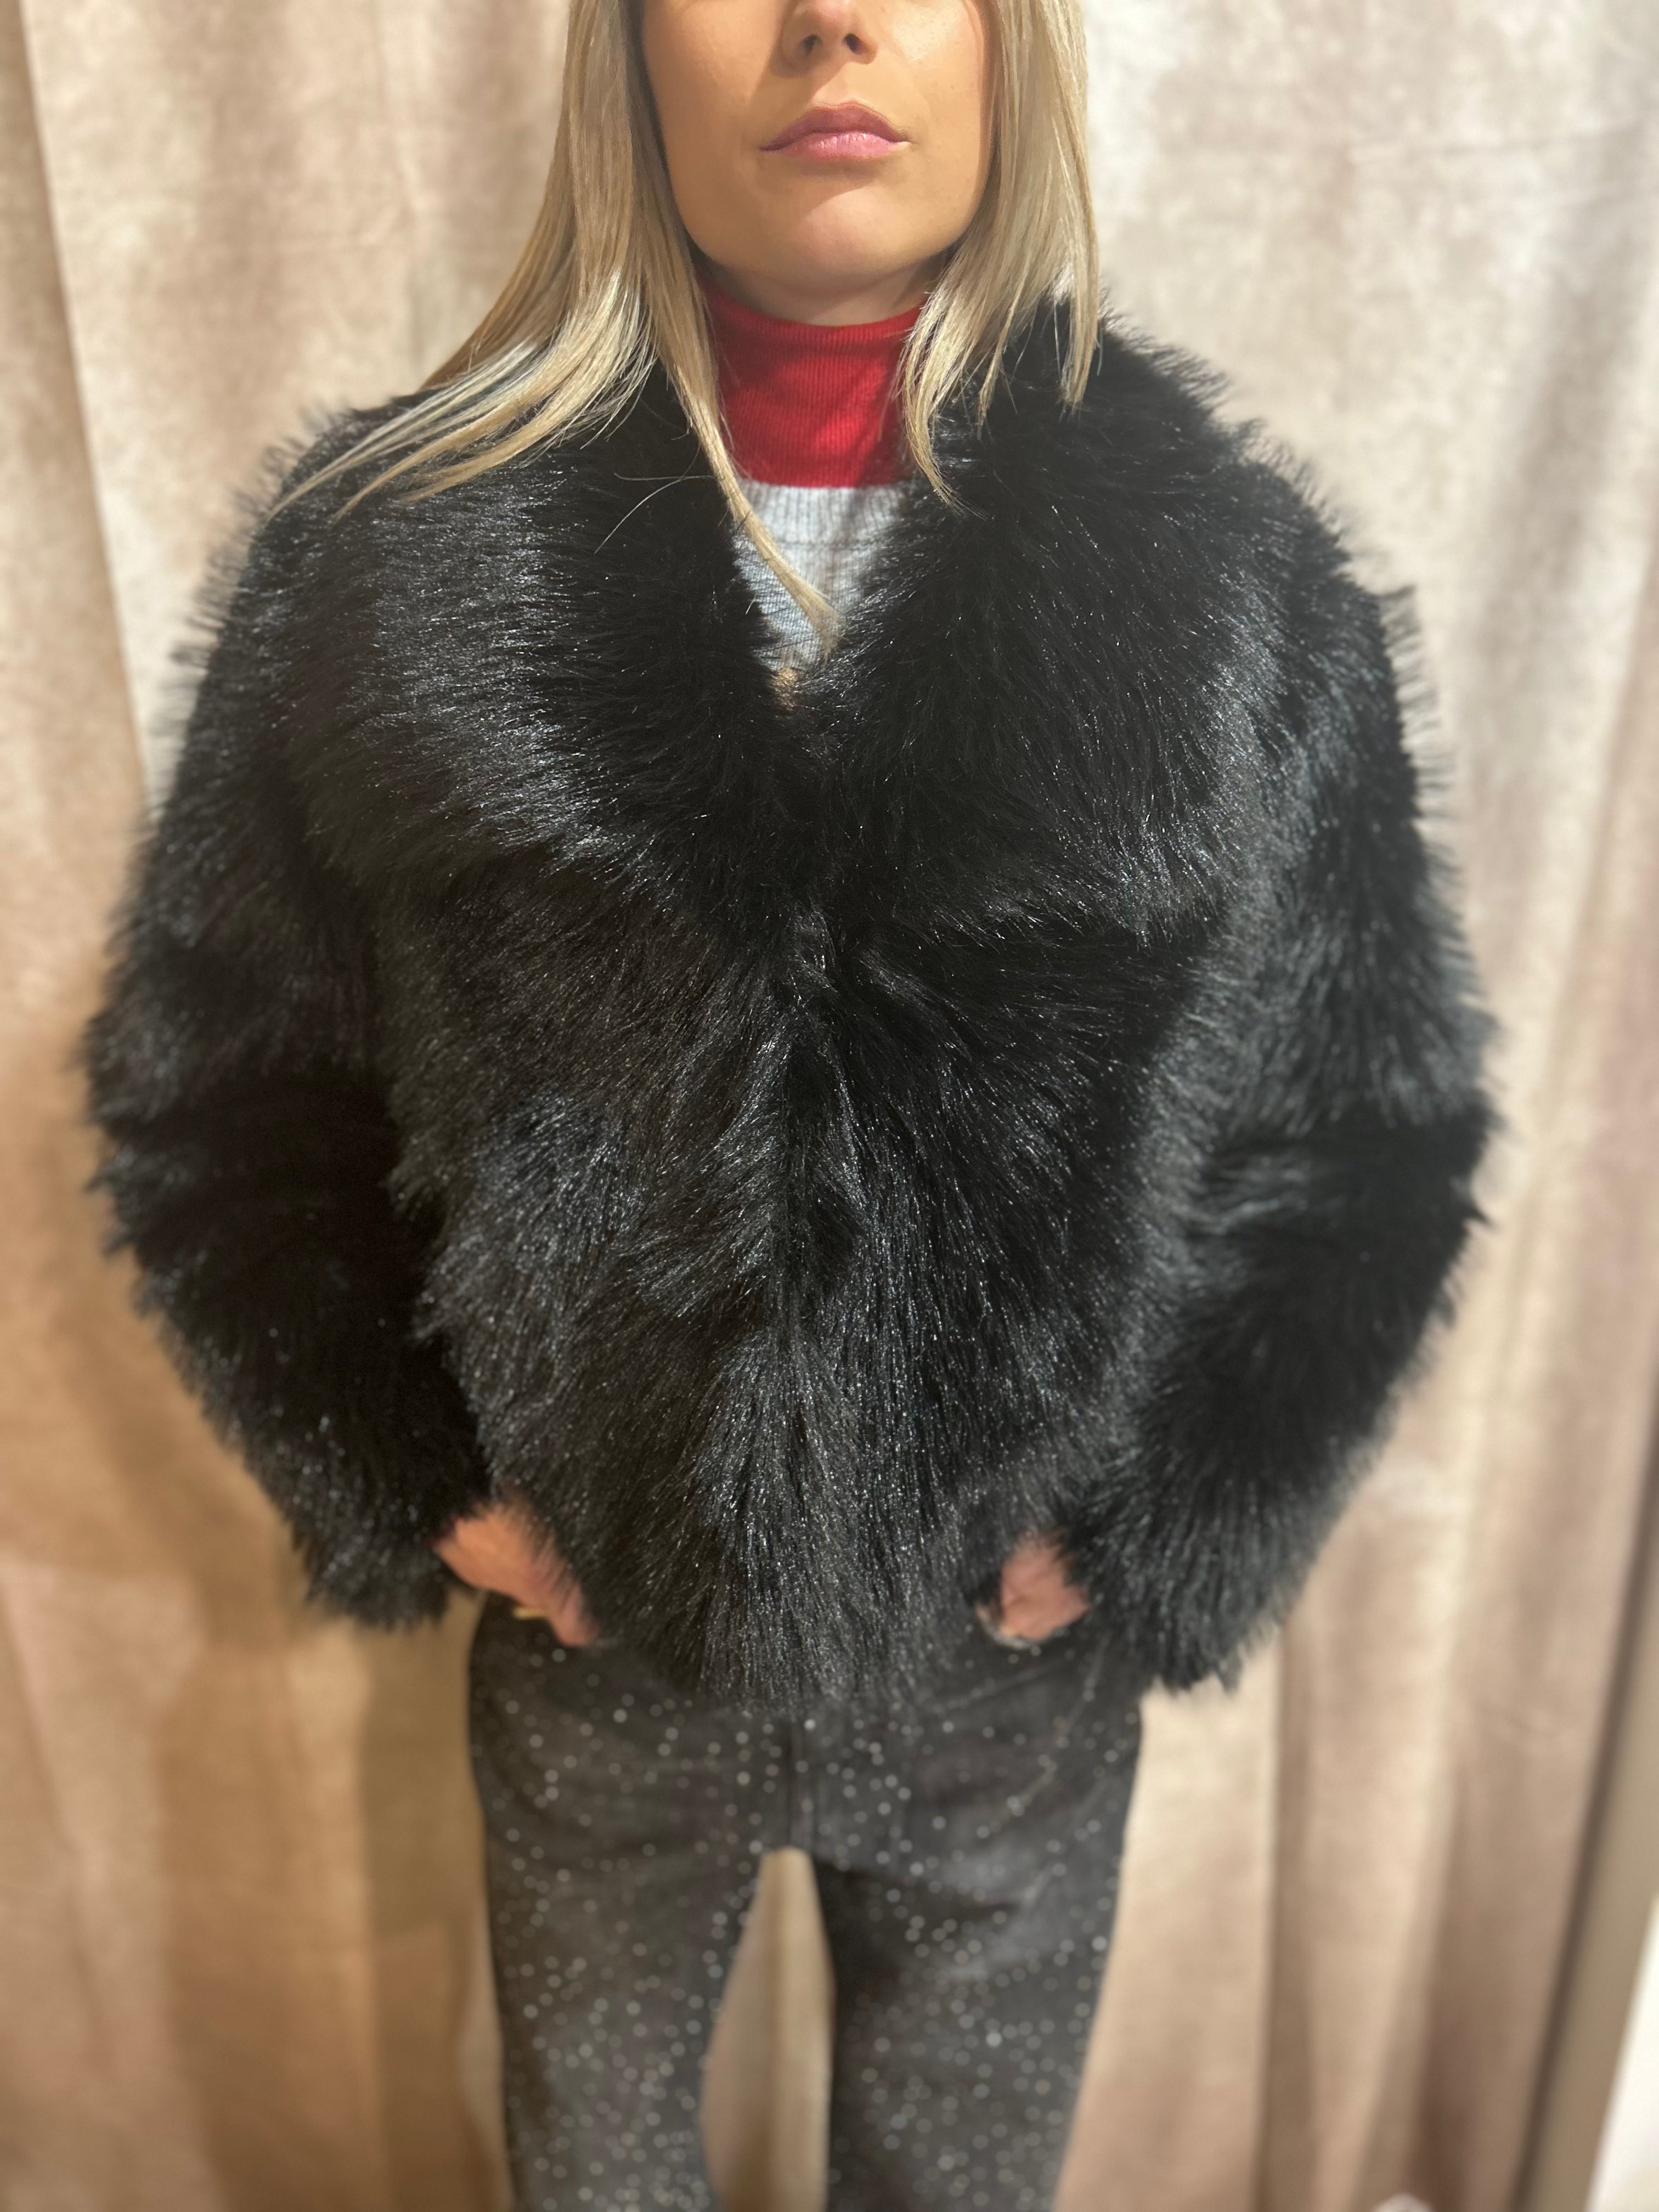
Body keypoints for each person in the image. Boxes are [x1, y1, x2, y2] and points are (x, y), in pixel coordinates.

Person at [78, 0, 1497, 2202]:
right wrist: (429, 1478)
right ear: (629, 48)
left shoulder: (1229, 595)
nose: (834, 23)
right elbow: (222, 1090)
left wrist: (1146, 1518)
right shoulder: (389, 571)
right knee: (594, 2171)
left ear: (1012, 47)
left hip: (1001, 1681)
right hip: (596, 1654)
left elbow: (1363, 1127)